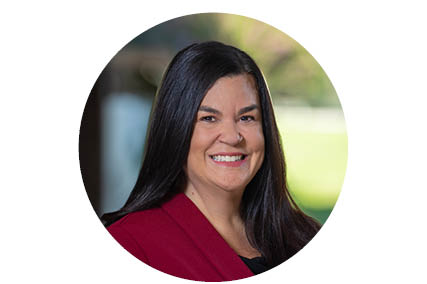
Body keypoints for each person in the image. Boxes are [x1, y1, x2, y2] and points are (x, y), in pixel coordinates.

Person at [102, 41, 320, 281]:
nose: (232, 136)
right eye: (208, 118)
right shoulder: (130, 244)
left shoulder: (306, 236)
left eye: (247, 117)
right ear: (176, 129)